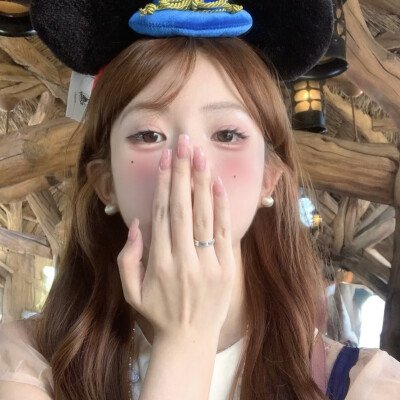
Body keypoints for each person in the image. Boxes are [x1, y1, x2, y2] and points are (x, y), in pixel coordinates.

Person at [1, 1, 400, 400]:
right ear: (106, 183)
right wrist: (184, 337)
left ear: (269, 178)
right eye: (149, 135)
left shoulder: (364, 386)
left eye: (227, 134)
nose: (191, 165)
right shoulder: (23, 366)